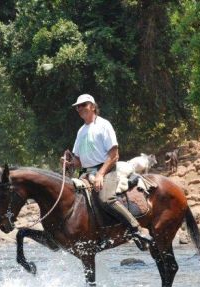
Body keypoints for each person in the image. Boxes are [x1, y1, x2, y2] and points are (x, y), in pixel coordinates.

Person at [64, 94, 151, 250]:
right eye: (77, 106)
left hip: (107, 169)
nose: (79, 109)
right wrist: (68, 162)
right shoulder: (81, 131)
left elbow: (114, 155)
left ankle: (136, 228)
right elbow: (78, 162)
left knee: (105, 198)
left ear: (92, 106)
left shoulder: (104, 125)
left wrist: (100, 174)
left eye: (82, 105)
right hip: (86, 172)